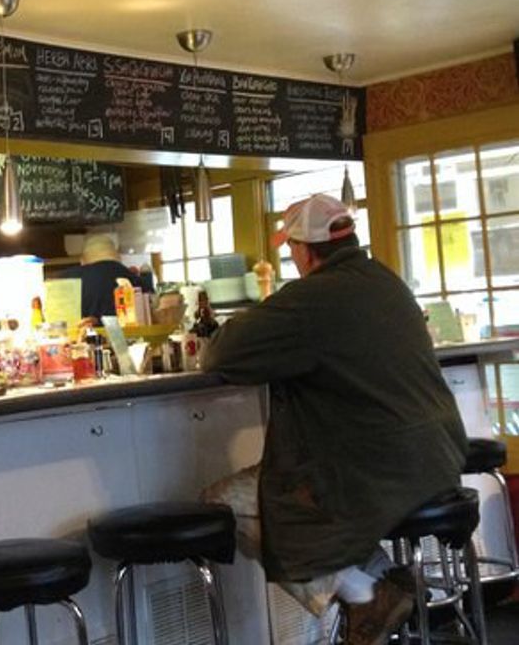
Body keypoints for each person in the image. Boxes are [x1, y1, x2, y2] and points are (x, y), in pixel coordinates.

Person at [199, 194, 467, 645]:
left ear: (305, 251)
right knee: (299, 498)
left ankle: (367, 593)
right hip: (441, 459)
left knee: (226, 501)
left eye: (291, 248)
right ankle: (384, 583)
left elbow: (220, 353)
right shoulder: (387, 283)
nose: (291, 256)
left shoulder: (312, 299)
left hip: (379, 471)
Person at [61, 233, 139, 324]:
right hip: (130, 331)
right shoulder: (131, 277)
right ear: (117, 256)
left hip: (82, 331)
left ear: (82, 260)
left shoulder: (68, 278)